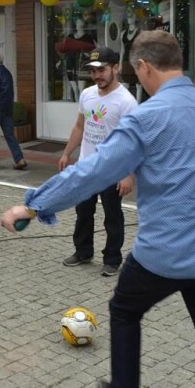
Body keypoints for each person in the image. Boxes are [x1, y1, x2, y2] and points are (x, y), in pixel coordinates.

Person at [1, 30, 195, 388]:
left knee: (124, 310)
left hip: (164, 254)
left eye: (138, 71)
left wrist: (32, 206)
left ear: (144, 66)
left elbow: (93, 172)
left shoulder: (145, 117)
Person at [59, 46, 137, 276]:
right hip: (86, 167)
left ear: (116, 68)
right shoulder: (87, 94)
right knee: (83, 212)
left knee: (112, 217)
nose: (97, 76)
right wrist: (67, 153)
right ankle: (83, 251)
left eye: (101, 70)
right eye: (93, 71)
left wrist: (128, 175)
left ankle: (112, 258)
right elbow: (80, 126)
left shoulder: (126, 102)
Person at [55, 18, 95, 102]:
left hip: (82, 65)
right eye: (77, 21)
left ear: (84, 24)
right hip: (70, 63)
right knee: (74, 88)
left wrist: (88, 56)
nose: (78, 23)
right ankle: (76, 105)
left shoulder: (88, 37)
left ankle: (81, 106)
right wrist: (60, 61)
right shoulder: (70, 37)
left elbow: (93, 50)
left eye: (80, 21)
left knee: (81, 88)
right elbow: (63, 50)